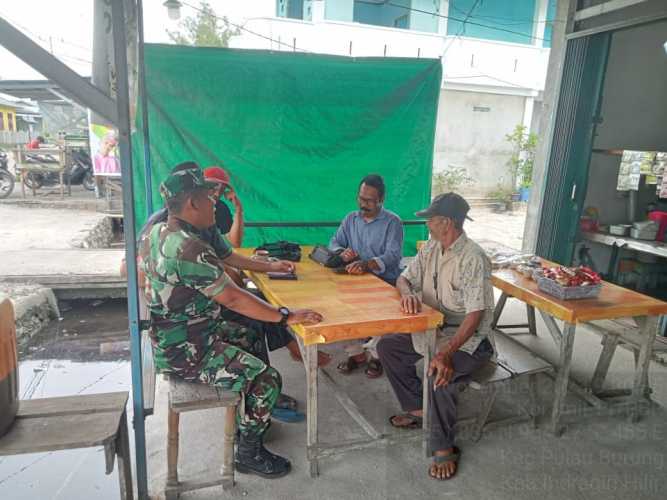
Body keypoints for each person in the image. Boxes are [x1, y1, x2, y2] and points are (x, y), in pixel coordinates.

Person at [139, 162, 323, 478]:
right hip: (184, 350)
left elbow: (229, 256)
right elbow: (234, 297)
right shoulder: (186, 248)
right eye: (209, 195)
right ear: (192, 203)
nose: (216, 201)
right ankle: (249, 453)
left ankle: (250, 416)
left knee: (251, 335)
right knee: (267, 378)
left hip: (195, 331)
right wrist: (285, 316)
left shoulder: (177, 230)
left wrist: (273, 267)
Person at [376, 192, 495, 481]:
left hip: (468, 338)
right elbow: (403, 278)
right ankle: (419, 410)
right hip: (434, 328)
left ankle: (443, 446)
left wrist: (447, 353)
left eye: (431, 219)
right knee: (388, 347)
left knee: (439, 373)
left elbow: (474, 315)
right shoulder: (431, 247)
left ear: (448, 223)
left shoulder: (472, 258)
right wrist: (407, 296)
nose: (427, 224)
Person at [329, 174, 403, 378]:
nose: (363, 204)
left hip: (385, 281)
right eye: (361, 198)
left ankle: (376, 356)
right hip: (355, 280)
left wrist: (367, 264)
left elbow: (393, 255)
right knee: (338, 308)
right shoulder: (351, 219)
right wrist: (341, 252)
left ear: (381, 200)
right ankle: (356, 354)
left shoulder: (392, 222)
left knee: (383, 317)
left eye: (369, 200)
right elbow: (334, 242)